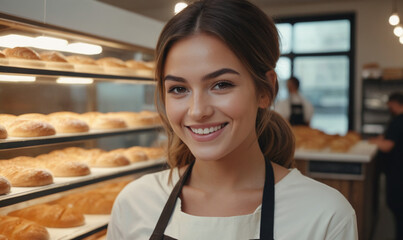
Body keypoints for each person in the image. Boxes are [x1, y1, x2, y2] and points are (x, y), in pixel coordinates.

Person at [107, 0, 358, 239]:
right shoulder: (135, 203)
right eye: (179, 89)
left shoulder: (325, 215)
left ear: (265, 91)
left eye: (221, 84)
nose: (197, 111)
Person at [369, 92, 403, 240]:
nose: (389, 107)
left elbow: (387, 145)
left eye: (389, 104)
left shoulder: (398, 121)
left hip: (397, 172)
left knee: (397, 207)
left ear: (395, 103)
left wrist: (373, 142)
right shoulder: (396, 120)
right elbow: (388, 136)